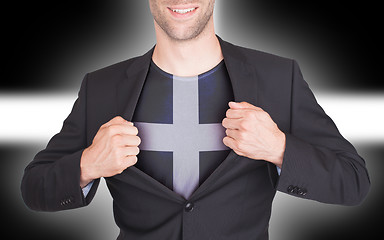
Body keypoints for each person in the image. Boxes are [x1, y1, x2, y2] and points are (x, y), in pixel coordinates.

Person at [21, 0, 370, 239]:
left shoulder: (279, 78)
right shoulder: (101, 87)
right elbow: (34, 187)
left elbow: (354, 181)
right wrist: (87, 165)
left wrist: (280, 148)